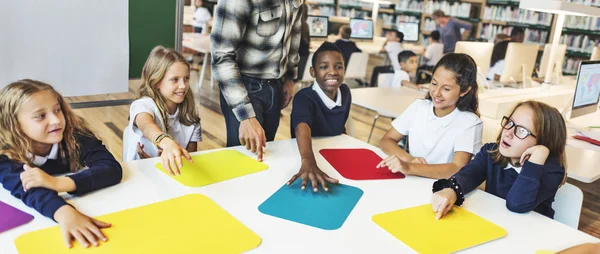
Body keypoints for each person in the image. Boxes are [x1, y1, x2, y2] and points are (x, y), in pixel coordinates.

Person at [0, 80, 123, 248]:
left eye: (57, 110)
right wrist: (66, 213)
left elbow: (110, 168)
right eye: (41, 116)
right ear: (14, 125)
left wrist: (59, 183)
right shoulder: (5, 155)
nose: (56, 120)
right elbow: (30, 190)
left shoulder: (75, 135)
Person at [431, 101, 567, 220]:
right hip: (497, 225)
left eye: (522, 131)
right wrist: (452, 190)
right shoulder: (491, 152)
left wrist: (537, 159)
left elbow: (516, 204)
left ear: (543, 143)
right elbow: (469, 175)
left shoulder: (551, 170)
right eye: (510, 123)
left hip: (531, 235)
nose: (508, 133)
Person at [211, 0, 302, 162]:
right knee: (242, 162)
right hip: (243, 88)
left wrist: (290, 78)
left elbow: (295, 33)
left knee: (266, 158)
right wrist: (245, 116)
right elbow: (221, 56)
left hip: (275, 86)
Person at [377, 53, 482, 179]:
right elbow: (386, 140)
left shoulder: (470, 122)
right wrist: (410, 160)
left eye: (446, 89)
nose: (436, 93)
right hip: (412, 180)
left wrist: (410, 167)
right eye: (434, 83)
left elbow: (457, 168)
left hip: (442, 188)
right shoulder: (419, 106)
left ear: (464, 91)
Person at [123, 46, 202, 177]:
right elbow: (146, 125)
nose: (183, 85)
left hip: (174, 176)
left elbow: (190, 159)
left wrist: (174, 159)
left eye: (186, 78)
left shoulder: (190, 114)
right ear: (156, 82)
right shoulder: (143, 105)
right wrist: (166, 143)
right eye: (175, 79)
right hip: (140, 177)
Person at [287, 42, 350, 192]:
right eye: (324, 67)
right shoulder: (304, 97)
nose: (333, 72)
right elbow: (302, 126)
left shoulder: (345, 92)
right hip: (306, 155)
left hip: (334, 154)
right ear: (313, 72)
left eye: (338, 66)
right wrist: (308, 160)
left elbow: (340, 126)